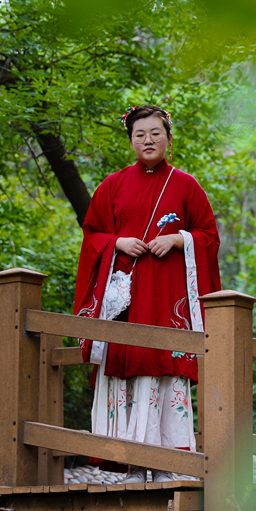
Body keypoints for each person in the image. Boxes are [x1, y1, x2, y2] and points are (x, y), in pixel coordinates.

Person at [73, 105, 221, 484]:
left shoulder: (186, 185)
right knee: (129, 365)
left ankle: (169, 465)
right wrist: (118, 242)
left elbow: (208, 236)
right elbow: (92, 235)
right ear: (131, 141)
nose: (148, 140)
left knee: (164, 367)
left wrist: (178, 239)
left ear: (168, 138)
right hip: (127, 301)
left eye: (156, 133)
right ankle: (134, 466)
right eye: (140, 134)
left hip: (166, 299)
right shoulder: (112, 185)